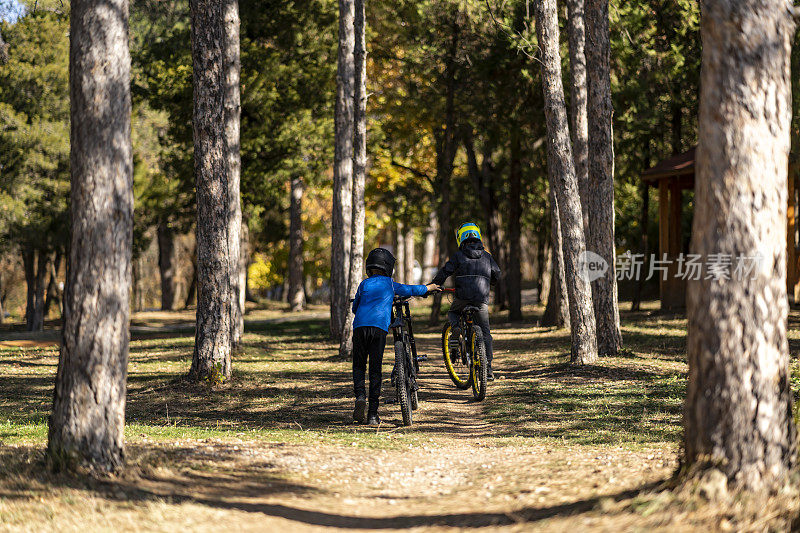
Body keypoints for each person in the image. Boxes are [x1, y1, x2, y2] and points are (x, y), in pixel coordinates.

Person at [351, 247, 439, 425]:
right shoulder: (390, 284)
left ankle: (360, 396)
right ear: (388, 267)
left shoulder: (363, 284)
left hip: (360, 328)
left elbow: (354, 308)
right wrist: (428, 288)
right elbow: (409, 289)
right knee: (375, 370)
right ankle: (373, 415)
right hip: (378, 330)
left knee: (359, 366)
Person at [431, 222, 501, 380]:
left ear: (460, 238)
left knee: (453, 312)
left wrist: (434, 285)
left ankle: (455, 328)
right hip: (481, 299)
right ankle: (488, 369)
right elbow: (497, 273)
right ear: (478, 237)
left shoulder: (458, 256)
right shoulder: (487, 256)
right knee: (485, 333)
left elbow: (445, 271)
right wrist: (491, 283)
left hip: (462, 297)